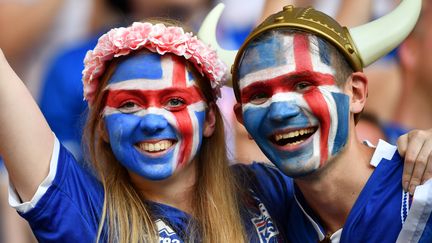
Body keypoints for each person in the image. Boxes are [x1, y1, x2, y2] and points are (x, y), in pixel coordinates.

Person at [0, 20, 296, 242]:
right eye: (129, 104)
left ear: (209, 120)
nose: (152, 121)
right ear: (102, 126)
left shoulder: (264, 188)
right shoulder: (90, 216)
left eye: (175, 101)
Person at [227, 1, 432, 242]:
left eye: (303, 85)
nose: (280, 112)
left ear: (356, 93)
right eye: (259, 95)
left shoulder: (424, 185)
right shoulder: (262, 197)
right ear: (242, 120)